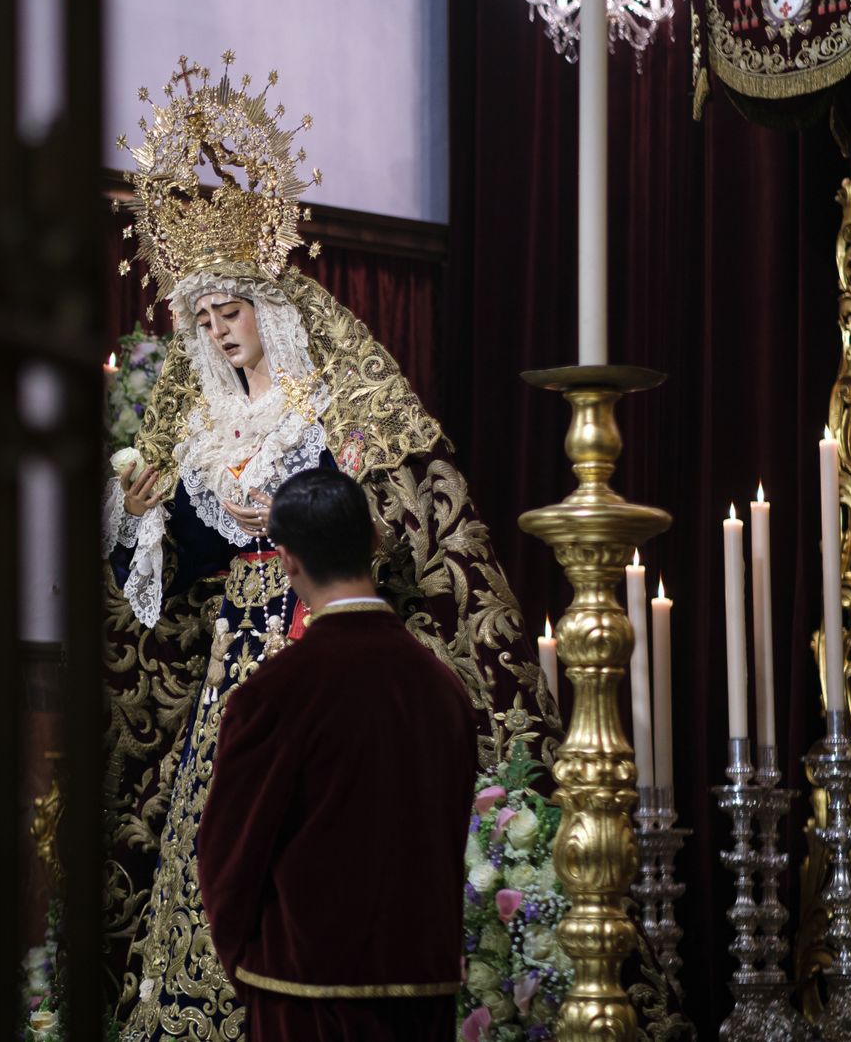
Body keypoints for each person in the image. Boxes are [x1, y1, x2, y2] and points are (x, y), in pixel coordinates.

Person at [101, 57, 560, 1041]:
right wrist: (140, 514)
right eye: (206, 318)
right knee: (226, 816)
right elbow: (166, 573)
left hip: (307, 626)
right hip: (237, 639)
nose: (221, 332)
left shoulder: (322, 408)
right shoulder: (203, 430)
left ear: (265, 306)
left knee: (321, 820)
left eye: (231, 311)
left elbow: (373, 534)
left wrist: (330, 488)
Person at [196, 468, 476, 1040]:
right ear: (374, 542)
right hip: (424, 995)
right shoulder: (444, 689)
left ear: (287, 558)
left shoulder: (272, 694)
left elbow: (228, 858)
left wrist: (251, 963)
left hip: (304, 999)